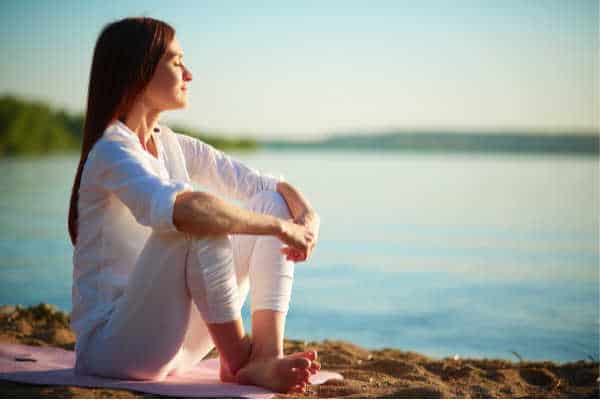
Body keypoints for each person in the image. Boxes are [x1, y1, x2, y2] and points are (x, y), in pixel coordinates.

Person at [67, 17, 321, 394]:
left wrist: (307, 216)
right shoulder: (111, 150)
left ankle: (265, 355)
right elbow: (185, 210)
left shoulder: (172, 144)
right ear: (138, 71)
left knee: (267, 203)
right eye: (175, 61)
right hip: (114, 349)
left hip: (176, 345)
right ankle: (239, 359)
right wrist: (279, 228)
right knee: (196, 218)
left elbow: (267, 186)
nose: (189, 73)